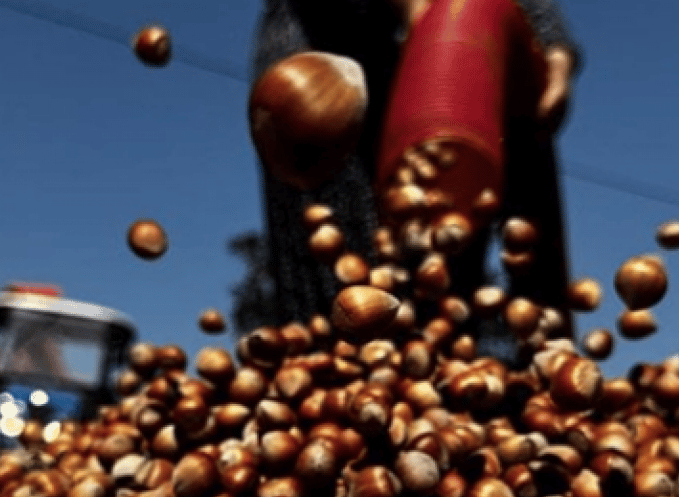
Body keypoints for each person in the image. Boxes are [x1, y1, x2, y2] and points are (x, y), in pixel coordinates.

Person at [249, 0, 582, 341]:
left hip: (467, 43)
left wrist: (547, 36)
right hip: (329, 52)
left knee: (448, 284)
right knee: (346, 305)